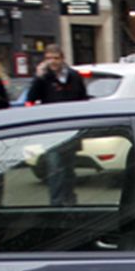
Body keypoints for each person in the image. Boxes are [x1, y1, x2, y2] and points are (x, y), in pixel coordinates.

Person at [27, 45, 89, 206]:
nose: (52, 62)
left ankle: (70, 202)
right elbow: (31, 98)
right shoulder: (44, 78)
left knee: (68, 169)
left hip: (72, 130)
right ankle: (56, 203)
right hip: (53, 132)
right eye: (49, 58)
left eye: (55, 58)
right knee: (55, 169)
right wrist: (38, 77)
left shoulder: (74, 76)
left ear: (62, 58)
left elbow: (83, 100)